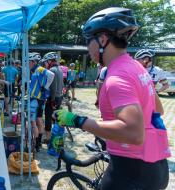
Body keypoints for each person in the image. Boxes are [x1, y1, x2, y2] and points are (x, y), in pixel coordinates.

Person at [56, 7, 170, 190]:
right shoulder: (137, 68)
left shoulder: (116, 78)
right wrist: (107, 125)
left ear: (102, 39)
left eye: (88, 41)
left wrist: (77, 120)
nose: (87, 48)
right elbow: (158, 110)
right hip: (156, 168)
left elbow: (133, 132)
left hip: (130, 172)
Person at [28, 53, 54, 152]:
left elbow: (51, 74)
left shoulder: (39, 69)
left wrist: (46, 87)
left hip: (35, 99)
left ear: (33, 62)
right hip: (39, 99)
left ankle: (34, 145)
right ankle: (38, 144)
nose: (28, 64)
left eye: (29, 62)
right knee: (39, 120)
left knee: (33, 122)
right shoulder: (35, 70)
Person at [44, 52, 63, 144]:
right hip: (59, 97)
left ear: (49, 61)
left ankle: (48, 138)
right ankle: (55, 137)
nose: (45, 64)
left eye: (46, 62)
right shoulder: (59, 69)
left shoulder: (52, 70)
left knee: (48, 117)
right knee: (55, 118)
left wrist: (51, 100)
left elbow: (53, 87)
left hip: (53, 97)